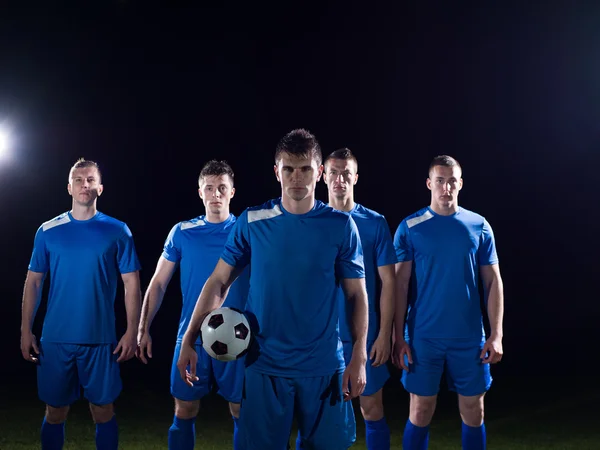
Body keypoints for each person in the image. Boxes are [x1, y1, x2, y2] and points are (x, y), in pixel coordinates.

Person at [177, 129, 369, 450]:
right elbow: (218, 282)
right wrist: (189, 339)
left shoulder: (339, 225)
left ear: (319, 172)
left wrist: (359, 356)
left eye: (306, 168)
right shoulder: (253, 221)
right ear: (276, 171)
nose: (297, 177)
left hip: (322, 366)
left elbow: (356, 295)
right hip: (264, 365)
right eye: (289, 169)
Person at [20, 158, 142, 450]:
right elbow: (34, 282)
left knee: (103, 412)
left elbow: (132, 284)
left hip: (101, 339)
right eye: (78, 179)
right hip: (56, 338)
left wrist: (131, 331)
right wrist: (26, 330)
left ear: (100, 187)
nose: (84, 185)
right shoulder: (48, 230)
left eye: (90, 180)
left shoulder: (118, 230)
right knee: (55, 412)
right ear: (69, 187)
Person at [392, 155, 504, 450]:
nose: (446, 187)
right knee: (420, 411)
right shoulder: (410, 226)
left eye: (452, 180)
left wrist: (496, 334)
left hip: (468, 336)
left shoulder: (478, 225)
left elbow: (493, 282)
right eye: (440, 181)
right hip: (422, 336)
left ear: (461, 184)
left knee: (474, 412)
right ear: (429, 184)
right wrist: (396, 337)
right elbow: (399, 286)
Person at [136, 160, 249, 450]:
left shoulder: (246, 232)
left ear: (232, 192)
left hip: (237, 338)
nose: (216, 194)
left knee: (242, 413)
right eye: (209, 188)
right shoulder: (182, 232)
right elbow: (159, 283)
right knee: (184, 411)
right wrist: (143, 327)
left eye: (222, 188)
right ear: (200, 192)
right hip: (192, 337)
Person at [317, 148, 397, 450]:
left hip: (363, 336)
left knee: (372, 410)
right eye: (334, 172)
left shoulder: (374, 223)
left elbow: (389, 282)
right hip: (321, 336)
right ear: (324, 176)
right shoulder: (313, 220)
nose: (340, 179)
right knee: (319, 413)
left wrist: (385, 334)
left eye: (346, 173)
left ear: (355, 177)